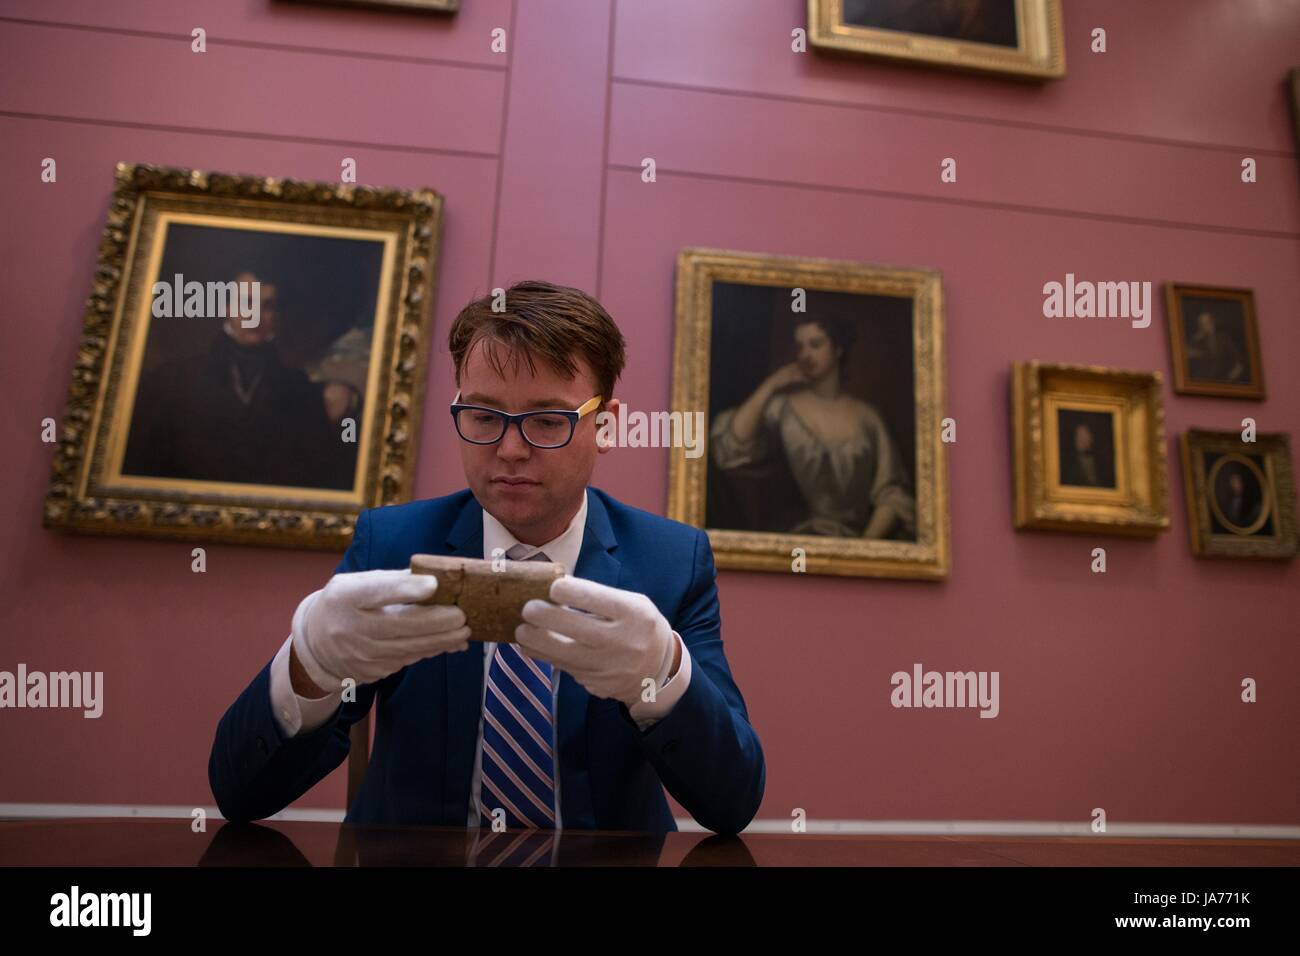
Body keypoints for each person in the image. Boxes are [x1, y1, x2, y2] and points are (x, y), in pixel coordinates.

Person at [208, 280, 765, 833]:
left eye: (548, 420)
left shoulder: (673, 560)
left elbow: (732, 803)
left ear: (606, 425)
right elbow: (240, 795)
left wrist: (664, 675)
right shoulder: (393, 544)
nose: (510, 449)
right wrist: (310, 665)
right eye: (483, 416)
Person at [123, 271, 348, 489]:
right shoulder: (174, 379)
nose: (256, 315)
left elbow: (317, 472)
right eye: (246, 302)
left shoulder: (298, 388)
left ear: (276, 315)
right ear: (226, 307)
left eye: (267, 306)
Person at [711, 316, 915, 539]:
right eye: (800, 346)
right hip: (792, 540)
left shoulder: (868, 417)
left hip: (856, 544)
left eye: (815, 345)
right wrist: (771, 385)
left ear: (838, 349)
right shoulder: (783, 407)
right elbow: (732, 446)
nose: (805, 355)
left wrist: (861, 548)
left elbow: (892, 493)